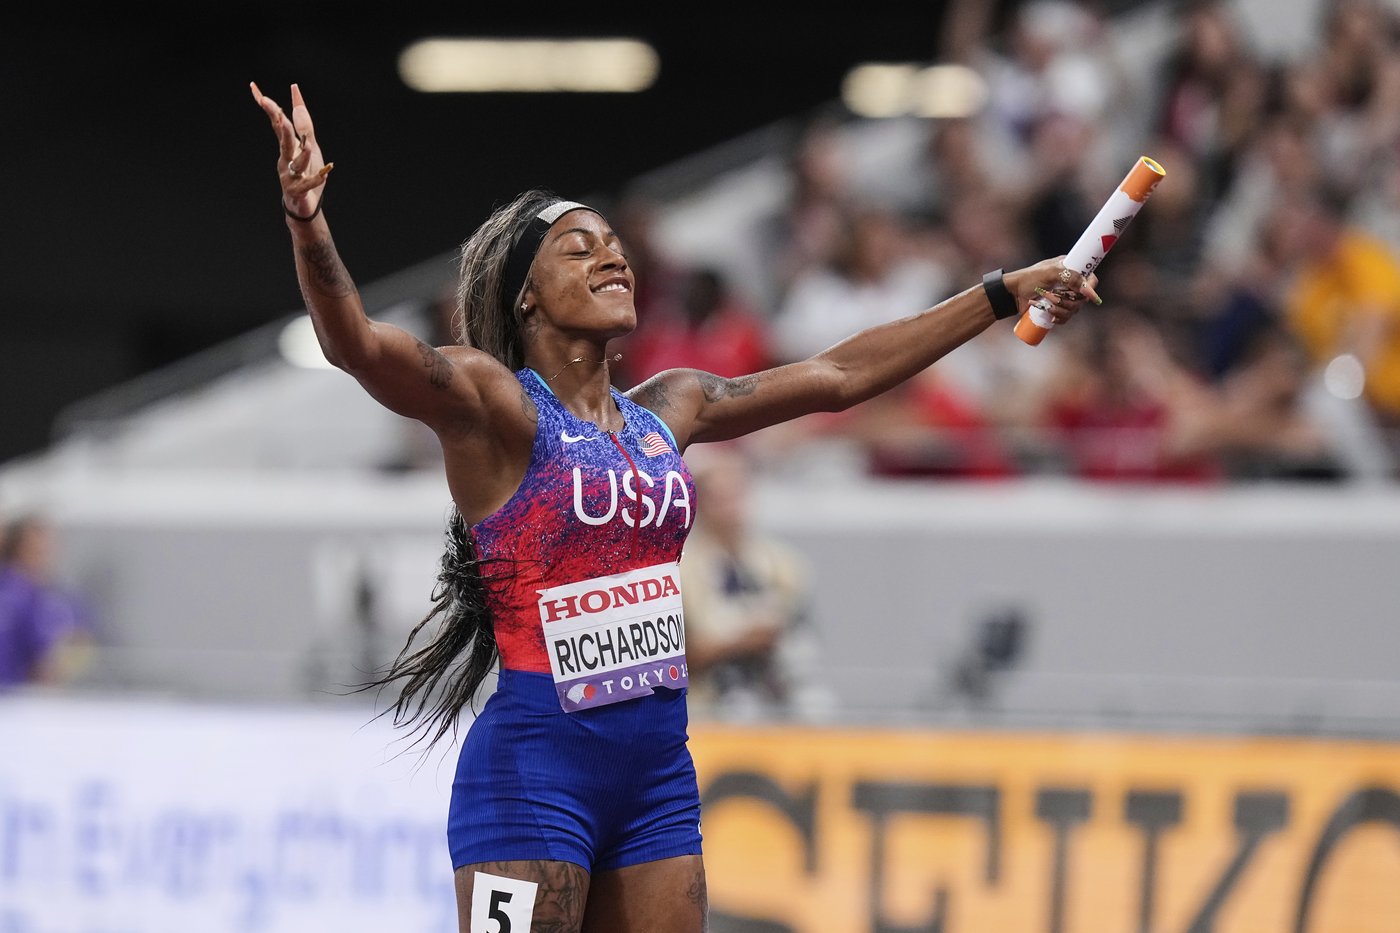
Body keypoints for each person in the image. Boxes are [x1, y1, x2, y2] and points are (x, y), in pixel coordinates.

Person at [250, 81, 1096, 933]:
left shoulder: (673, 408)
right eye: (580, 250)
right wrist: (308, 222)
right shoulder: (495, 406)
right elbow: (354, 343)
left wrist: (998, 294)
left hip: (655, 774)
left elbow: (839, 376)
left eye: (615, 246)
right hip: (534, 772)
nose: (612, 259)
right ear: (527, 299)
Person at [678, 445, 831, 721]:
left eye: (736, 495)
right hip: (711, 699)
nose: (730, 507)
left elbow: (805, 638)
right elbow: (678, 657)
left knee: (815, 703)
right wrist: (738, 641)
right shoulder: (682, 570)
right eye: (718, 497)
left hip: (778, 690)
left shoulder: (784, 564)